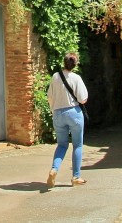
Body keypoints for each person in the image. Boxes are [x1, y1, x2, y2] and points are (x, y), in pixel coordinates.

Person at [46, 51, 88, 188]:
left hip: (58, 113)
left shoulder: (55, 76)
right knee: (77, 145)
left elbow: (50, 96)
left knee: (62, 145)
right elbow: (82, 99)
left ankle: (54, 169)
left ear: (64, 62)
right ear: (75, 64)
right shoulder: (76, 78)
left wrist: (54, 110)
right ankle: (76, 176)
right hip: (74, 113)